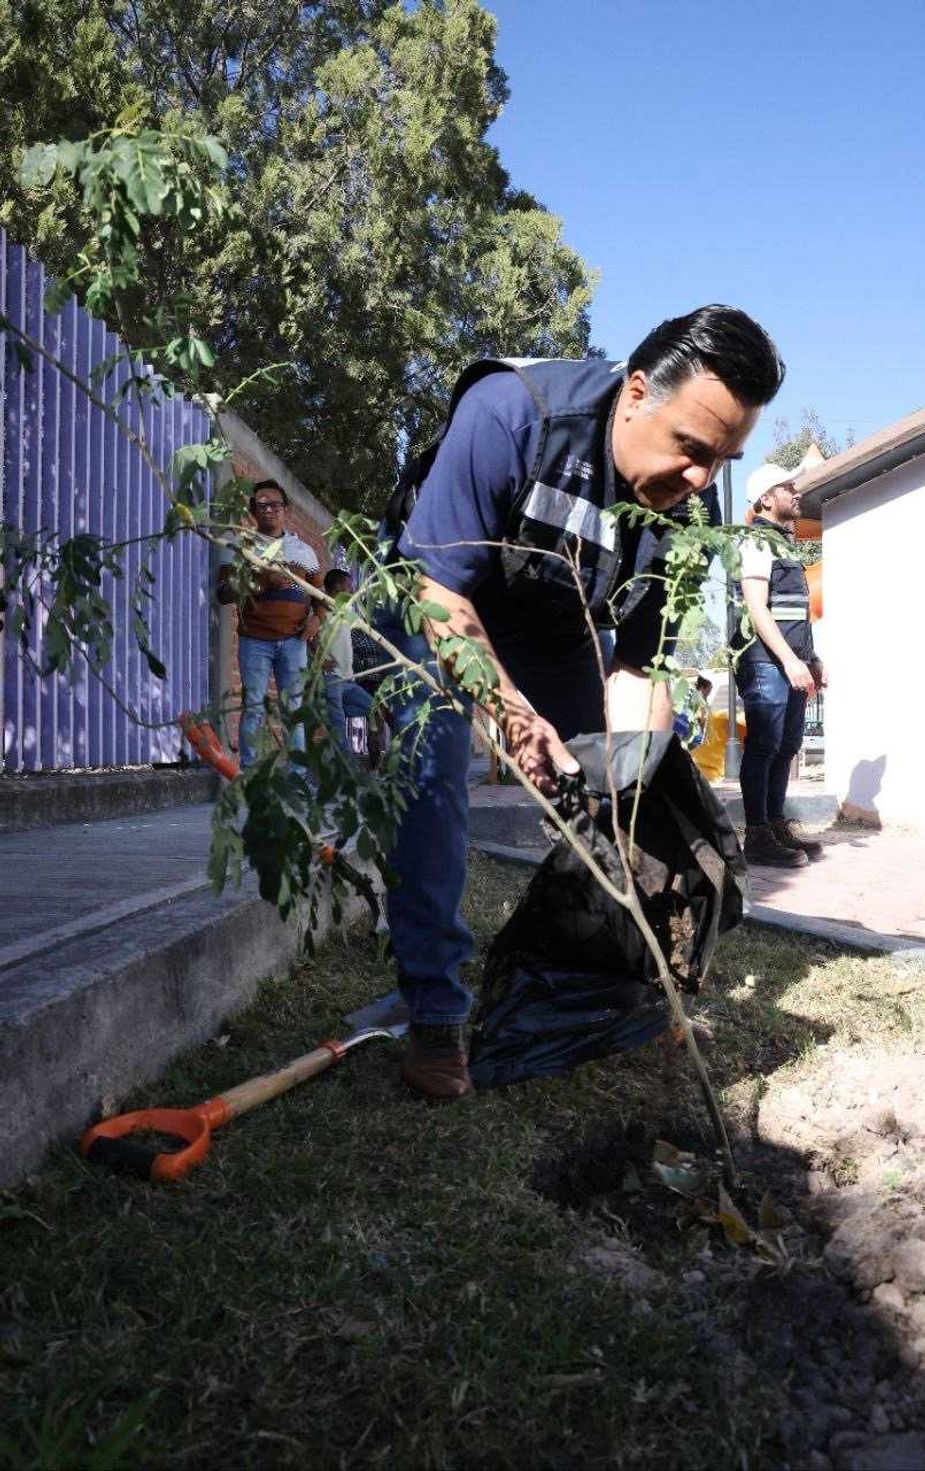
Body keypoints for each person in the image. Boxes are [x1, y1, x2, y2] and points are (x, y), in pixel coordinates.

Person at [379, 305, 786, 1100]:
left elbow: (635, 667)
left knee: (616, 801)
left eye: (725, 459)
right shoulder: (512, 414)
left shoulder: (686, 517)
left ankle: (625, 988)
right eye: (692, 450)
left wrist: (633, 790)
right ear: (636, 393)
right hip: (439, 601)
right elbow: (439, 597)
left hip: (557, 628)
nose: (702, 480)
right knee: (431, 782)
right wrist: (515, 721)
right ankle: (434, 1011)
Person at [734, 462, 827, 867]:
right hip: (764, 661)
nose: (796, 491)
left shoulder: (785, 544)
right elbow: (757, 608)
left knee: (787, 745)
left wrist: (813, 659)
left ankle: (774, 826)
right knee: (764, 745)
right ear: (766, 498)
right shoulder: (756, 541)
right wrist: (790, 661)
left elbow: (796, 614)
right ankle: (756, 836)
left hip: (790, 662)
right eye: (788, 486)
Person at [217, 480, 324, 768]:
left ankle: (297, 778)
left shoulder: (304, 551)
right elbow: (223, 592)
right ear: (253, 510)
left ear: (286, 509)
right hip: (254, 640)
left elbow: (321, 597)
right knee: (252, 708)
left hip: (295, 642)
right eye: (261, 505)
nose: (269, 510)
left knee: (294, 711)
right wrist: (262, 580)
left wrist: (316, 619)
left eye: (275, 505)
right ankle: (250, 774)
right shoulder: (240, 545)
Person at [322, 568, 375, 754]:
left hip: (349, 679)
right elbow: (309, 634)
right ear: (337, 586)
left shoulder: (347, 607)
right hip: (332, 677)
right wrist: (318, 657)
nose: (352, 588)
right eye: (348, 584)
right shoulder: (321, 605)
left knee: (373, 708)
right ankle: (347, 767)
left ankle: (366, 754)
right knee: (337, 724)